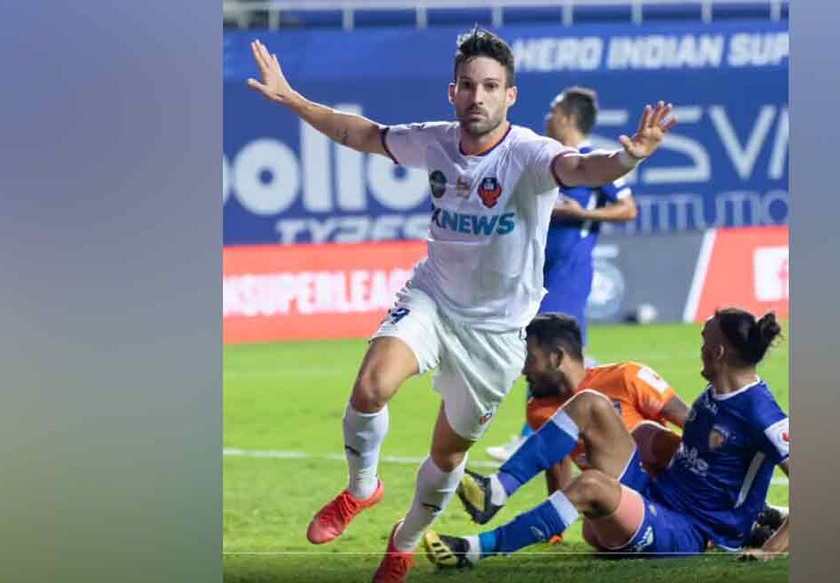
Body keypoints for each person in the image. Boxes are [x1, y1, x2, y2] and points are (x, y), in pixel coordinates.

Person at [245, 27, 678, 582]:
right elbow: (363, 134)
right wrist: (293, 99)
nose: (478, 96)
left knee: (447, 458)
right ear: (453, 92)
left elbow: (584, 168)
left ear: (510, 96)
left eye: (491, 86)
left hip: (496, 335)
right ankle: (361, 489)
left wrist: (626, 159)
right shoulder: (435, 140)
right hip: (432, 300)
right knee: (371, 386)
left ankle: (403, 543)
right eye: (468, 85)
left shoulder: (530, 152)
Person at [424, 308, 790, 568]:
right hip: (659, 495)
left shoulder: (761, 413)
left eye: (703, 339)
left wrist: (772, 551)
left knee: (592, 486)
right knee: (589, 403)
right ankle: (496, 492)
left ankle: (474, 550)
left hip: (691, 529)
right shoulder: (714, 393)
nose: (699, 347)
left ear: (719, 351)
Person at [486, 87, 640, 463]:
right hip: (538, 272)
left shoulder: (593, 163)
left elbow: (628, 210)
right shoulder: (551, 162)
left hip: (569, 272)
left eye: (554, 110)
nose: (547, 117)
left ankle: (532, 435)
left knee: (541, 347)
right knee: (563, 354)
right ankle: (606, 417)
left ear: (569, 118)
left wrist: (581, 215)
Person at [462, 312, 689, 528]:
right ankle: (491, 512)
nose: (524, 370)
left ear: (557, 357)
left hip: (670, 497)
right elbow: (556, 465)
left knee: (635, 431)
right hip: (618, 506)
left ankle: (497, 493)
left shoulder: (627, 377)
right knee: (592, 529)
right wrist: (556, 529)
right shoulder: (540, 409)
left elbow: (691, 424)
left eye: (530, 359)